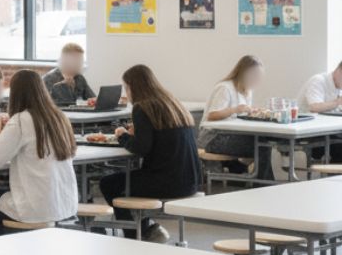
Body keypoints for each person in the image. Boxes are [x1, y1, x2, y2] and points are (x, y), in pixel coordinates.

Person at [0, 69, 77, 235]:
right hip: (65, 205)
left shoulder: (21, 120)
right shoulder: (60, 117)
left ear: (15, 94)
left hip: (36, 209)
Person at [99, 64, 201, 243]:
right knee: (126, 181)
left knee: (108, 184)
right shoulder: (172, 104)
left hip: (167, 182)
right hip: (191, 181)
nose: (127, 93)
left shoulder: (142, 108)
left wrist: (122, 135)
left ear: (133, 87)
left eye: (127, 88)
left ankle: (135, 234)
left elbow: (141, 148)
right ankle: (146, 227)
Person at [199, 55, 273, 179]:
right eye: (255, 76)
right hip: (212, 137)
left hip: (229, 135)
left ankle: (253, 177)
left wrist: (252, 111)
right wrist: (236, 109)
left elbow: (240, 114)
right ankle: (263, 182)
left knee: (263, 141)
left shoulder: (247, 90)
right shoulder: (225, 88)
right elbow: (212, 115)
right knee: (262, 145)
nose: (257, 80)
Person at [299, 61, 342, 161]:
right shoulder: (318, 81)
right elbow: (314, 107)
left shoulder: (338, 87)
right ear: (339, 71)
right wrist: (337, 102)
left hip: (327, 132)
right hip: (309, 133)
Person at [43, 43, 95, 107]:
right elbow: (46, 105)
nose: (80, 63)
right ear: (65, 60)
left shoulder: (79, 78)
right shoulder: (49, 79)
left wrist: (94, 101)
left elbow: (92, 98)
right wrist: (63, 85)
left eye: (81, 60)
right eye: (76, 60)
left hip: (77, 112)